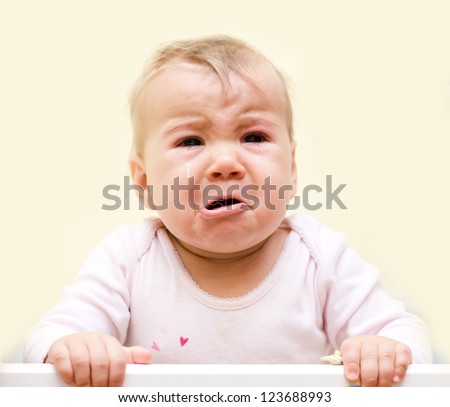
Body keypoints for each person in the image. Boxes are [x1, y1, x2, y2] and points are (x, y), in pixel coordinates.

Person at [24, 35, 432, 387]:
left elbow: (403, 334)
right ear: (145, 182)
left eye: (253, 136)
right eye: (190, 141)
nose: (225, 162)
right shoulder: (128, 259)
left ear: (290, 169)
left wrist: (385, 350)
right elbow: (48, 339)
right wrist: (75, 346)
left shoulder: (320, 258)